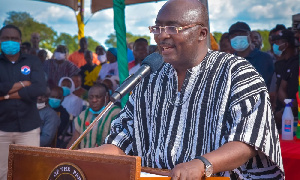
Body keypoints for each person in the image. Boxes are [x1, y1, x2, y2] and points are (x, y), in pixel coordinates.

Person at [83, 0, 284, 179]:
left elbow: (250, 139)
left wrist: (203, 164)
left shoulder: (237, 72)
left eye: (172, 28)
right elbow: (122, 141)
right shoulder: (148, 77)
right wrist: (87, 156)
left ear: (201, 33)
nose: (162, 36)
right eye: (157, 28)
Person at [0, 25, 46, 180]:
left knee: (30, 171)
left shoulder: (32, 61)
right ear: (0, 40)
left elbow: (40, 87)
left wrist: (6, 95)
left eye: (14, 39)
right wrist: (23, 84)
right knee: (3, 173)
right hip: (2, 129)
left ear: (20, 41)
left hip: (28, 128)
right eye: (6, 38)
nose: (10, 42)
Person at [67, 84, 121, 149]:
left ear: (106, 98)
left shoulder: (115, 113)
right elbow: (74, 141)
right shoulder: (83, 115)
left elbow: (117, 144)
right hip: (84, 156)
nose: (94, 100)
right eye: (91, 97)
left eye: (98, 97)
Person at [228, 21, 274, 90]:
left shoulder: (264, 59)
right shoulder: (228, 62)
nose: (237, 38)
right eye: (234, 35)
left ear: (249, 36)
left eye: (241, 34)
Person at [272, 29, 299, 129]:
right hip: (281, 117)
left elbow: (296, 100)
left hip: (293, 119)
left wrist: (287, 108)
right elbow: (278, 90)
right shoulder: (281, 64)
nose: (274, 45)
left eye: (277, 42)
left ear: (286, 44)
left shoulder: (296, 64)